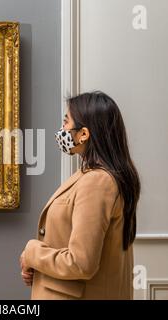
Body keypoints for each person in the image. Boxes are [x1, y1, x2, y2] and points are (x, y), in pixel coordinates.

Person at [20, 91, 141, 299]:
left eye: (66, 123)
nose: (61, 130)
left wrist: (32, 253)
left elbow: (81, 262)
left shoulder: (97, 182)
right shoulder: (94, 176)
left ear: (83, 134)